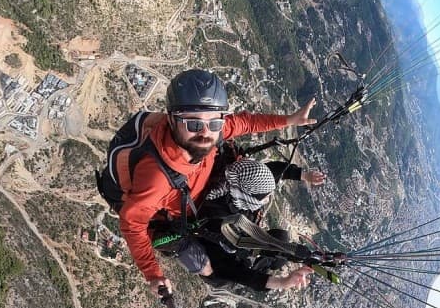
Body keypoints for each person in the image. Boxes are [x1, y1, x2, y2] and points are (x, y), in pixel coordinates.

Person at [118, 68, 316, 296]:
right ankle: (209, 275)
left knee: (275, 237)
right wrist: (153, 274)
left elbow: (245, 123)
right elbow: (132, 225)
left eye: (214, 124)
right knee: (211, 268)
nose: (205, 133)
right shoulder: (156, 178)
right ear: (172, 119)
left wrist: (289, 120)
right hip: (178, 221)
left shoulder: (212, 131)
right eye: (193, 125)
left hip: (203, 197)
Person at [179, 157, 326, 292]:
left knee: (281, 241)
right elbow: (240, 274)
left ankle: (267, 258)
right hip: (222, 252)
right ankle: (206, 269)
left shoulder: (242, 177)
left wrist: (304, 175)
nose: (267, 200)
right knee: (225, 280)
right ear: (247, 195)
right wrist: (281, 282)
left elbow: (272, 171)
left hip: (238, 238)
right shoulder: (220, 219)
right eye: (264, 197)